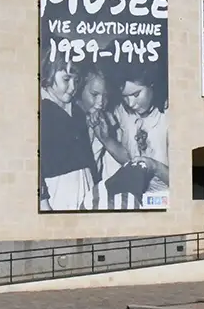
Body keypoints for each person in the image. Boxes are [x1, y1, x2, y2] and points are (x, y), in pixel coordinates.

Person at [38, 55, 97, 211]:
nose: (72, 87)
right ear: (49, 73)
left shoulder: (78, 111)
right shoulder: (41, 110)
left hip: (85, 186)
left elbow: (88, 157)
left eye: (76, 81)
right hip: (57, 193)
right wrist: (42, 201)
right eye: (66, 79)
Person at [109, 65, 170, 209]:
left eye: (136, 94)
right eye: (125, 97)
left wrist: (155, 167)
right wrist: (106, 139)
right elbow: (129, 159)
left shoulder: (170, 116)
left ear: (152, 84)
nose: (130, 103)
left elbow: (184, 182)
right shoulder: (123, 112)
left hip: (166, 202)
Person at [75, 67, 128, 210]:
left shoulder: (108, 120)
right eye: (94, 94)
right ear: (79, 89)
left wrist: (106, 136)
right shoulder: (71, 119)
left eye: (105, 96)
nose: (100, 102)